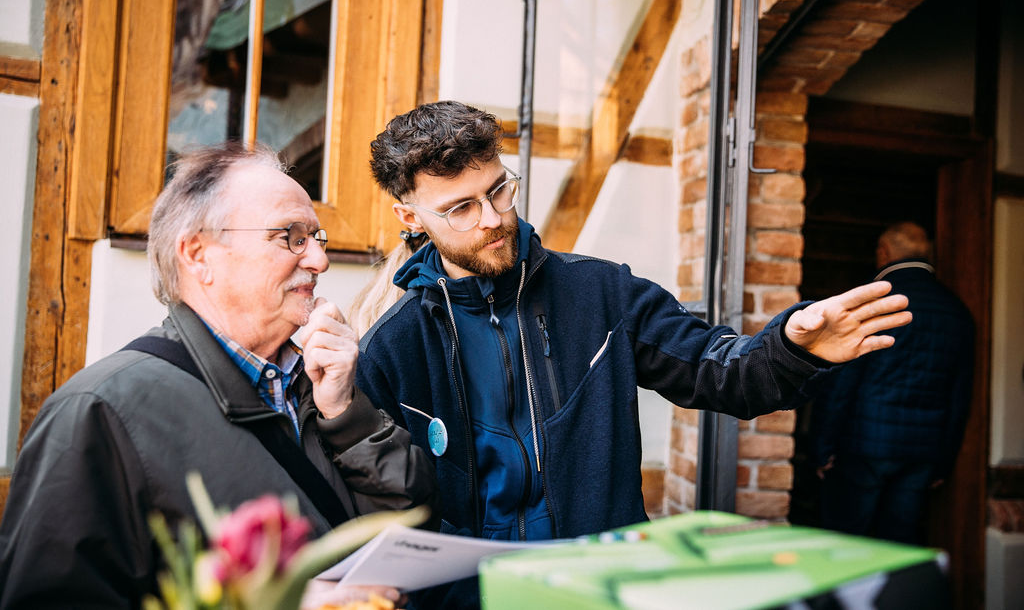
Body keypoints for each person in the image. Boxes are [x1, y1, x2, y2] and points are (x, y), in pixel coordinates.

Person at [354, 101, 912, 606]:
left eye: (500, 190)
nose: (494, 218)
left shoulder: (603, 293)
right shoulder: (393, 347)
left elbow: (724, 373)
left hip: (603, 587)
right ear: (411, 218)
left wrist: (792, 346)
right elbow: (380, 506)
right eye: (461, 209)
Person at [0, 143, 437, 608]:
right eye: (290, 236)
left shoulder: (321, 384)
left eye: (317, 238)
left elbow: (411, 532)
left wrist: (346, 414)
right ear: (198, 254)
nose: (319, 261)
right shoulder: (97, 410)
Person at [812, 222, 974, 545]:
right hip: (922, 452)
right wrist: (944, 461)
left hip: (864, 445)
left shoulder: (874, 306)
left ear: (883, 253)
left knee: (845, 542)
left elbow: (842, 383)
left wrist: (822, 446)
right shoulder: (957, 312)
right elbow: (960, 397)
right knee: (898, 545)